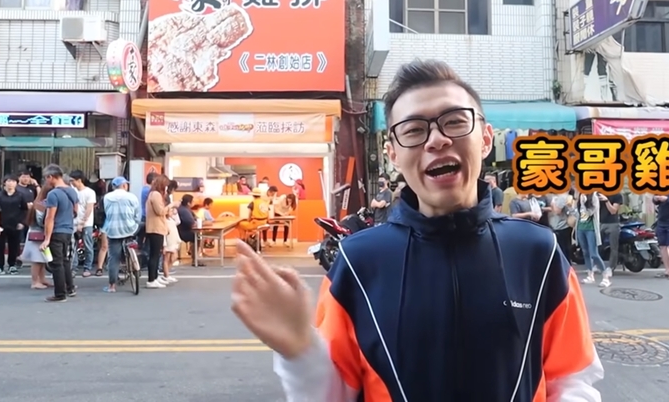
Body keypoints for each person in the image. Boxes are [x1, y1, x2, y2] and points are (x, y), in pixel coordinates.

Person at [231, 59, 602, 401]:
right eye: (413, 130)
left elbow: (572, 380)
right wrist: (300, 351)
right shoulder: (358, 262)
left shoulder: (538, 253)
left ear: (486, 138)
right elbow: (336, 393)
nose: (436, 139)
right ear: (393, 154)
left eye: (454, 121)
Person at [40, 164, 79, 303]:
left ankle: (60, 294)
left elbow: (50, 217)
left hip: (56, 231)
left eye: (46, 178)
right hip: (68, 230)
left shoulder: (53, 194)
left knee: (57, 263)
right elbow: (76, 211)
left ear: (51, 177)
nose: (46, 181)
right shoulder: (72, 191)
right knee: (65, 260)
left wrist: (47, 238)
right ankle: (70, 288)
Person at [100, 176, 141, 293]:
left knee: (113, 257)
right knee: (138, 231)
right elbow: (137, 215)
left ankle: (111, 286)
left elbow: (106, 213)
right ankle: (134, 253)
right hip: (130, 229)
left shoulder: (107, 197)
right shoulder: (132, 197)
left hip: (113, 230)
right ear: (124, 185)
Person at [144, 175, 177, 289]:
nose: (167, 188)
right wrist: (171, 205)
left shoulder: (153, 194)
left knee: (157, 254)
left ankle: (155, 277)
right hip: (155, 228)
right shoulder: (156, 195)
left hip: (156, 227)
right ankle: (151, 279)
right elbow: (160, 211)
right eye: (166, 185)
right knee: (154, 255)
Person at [0, 175, 30, 275]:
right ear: (4, 183)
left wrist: (22, 222)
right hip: (1, 224)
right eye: (9, 181)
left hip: (15, 224)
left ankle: (12, 265)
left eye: (13, 181)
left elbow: (25, 210)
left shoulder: (20, 195)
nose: (11, 183)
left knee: (14, 246)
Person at [22, 184, 53, 289]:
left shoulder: (38, 203)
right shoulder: (42, 205)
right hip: (38, 233)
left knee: (42, 259)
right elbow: (41, 221)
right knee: (37, 259)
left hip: (35, 232)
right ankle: (35, 281)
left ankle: (42, 279)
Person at [69, 170, 97, 277]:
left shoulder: (90, 192)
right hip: (73, 222)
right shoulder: (72, 191)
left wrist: (82, 222)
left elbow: (89, 209)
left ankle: (87, 268)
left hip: (87, 223)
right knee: (73, 246)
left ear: (79, 180)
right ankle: (73, 268)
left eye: (73, 180)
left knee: (88, 246)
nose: (71, 183)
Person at [576, 193, 608, 286]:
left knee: (594, 254)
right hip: (580, 228)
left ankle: (605, 277)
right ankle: (590, 275)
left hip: (591, 228)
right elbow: (577, 214)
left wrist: (583, 203)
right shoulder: (580, 196)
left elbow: (589, 213)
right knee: (585, 253)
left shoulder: (593, 196)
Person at [599, 191, 623, 285]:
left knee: (613, 247)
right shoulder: (599, 193)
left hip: (613, 223)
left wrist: (606, 201)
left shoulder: (617, 195)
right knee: (598, 244)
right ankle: (598, 264)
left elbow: (613, 211)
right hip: (600, 223)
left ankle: (611, 267)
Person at [549, 192, 577, 263]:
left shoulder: (561, 198)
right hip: (565, 226)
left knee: (562, 248)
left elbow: (557, 211)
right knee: (566, 247)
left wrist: (552, 204)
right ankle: (567, 264)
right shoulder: (566, 196)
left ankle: (565, 264)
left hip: (561, 226)